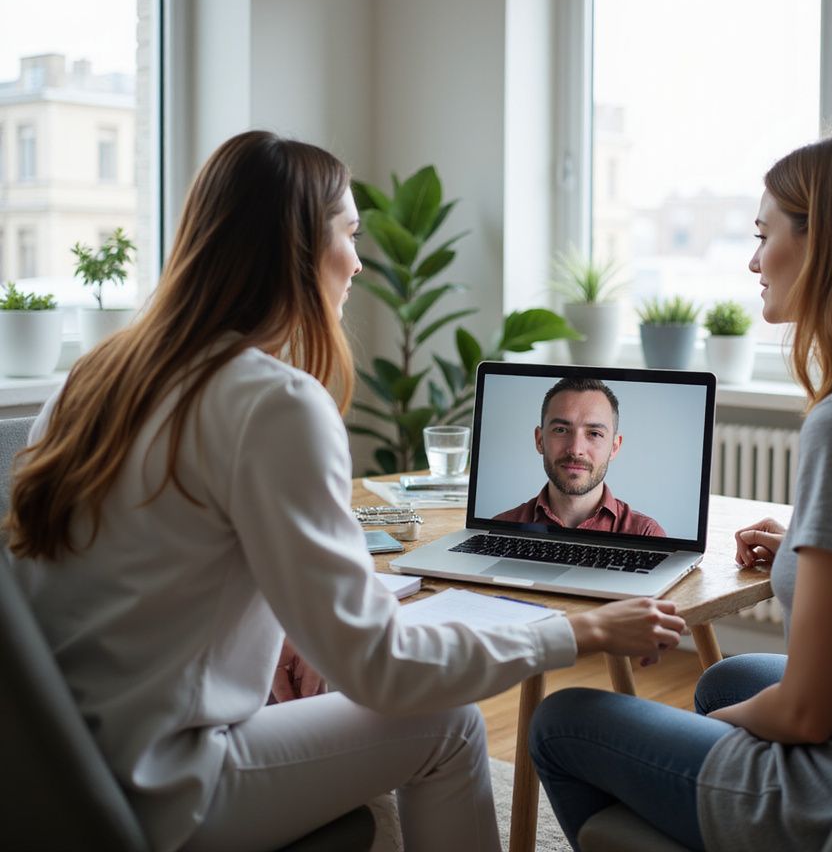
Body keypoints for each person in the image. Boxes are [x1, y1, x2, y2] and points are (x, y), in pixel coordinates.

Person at [3, 131, 687, 852]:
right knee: (448, 726)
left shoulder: (97, 374)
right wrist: (579, 630)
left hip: (49, 772)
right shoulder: (272, 402)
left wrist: (293, 627)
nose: (358, 262)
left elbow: (162, 567)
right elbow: (384, 670)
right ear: (296, 248)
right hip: (164, 791)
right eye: (350, 233)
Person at [529, 128, 832, 852]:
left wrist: (697, 739)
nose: (755, 261)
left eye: (765, 235)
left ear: (828, 243)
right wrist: (807, 547)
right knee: (726, 679)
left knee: (564, 720)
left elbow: (805, 717)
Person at [492, 376, 666, 537]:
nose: (575, 449)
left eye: (594, 433)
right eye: (561, 430)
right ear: (540, 441)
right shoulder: (500, 529)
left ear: (614, 447)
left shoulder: (646, 534)